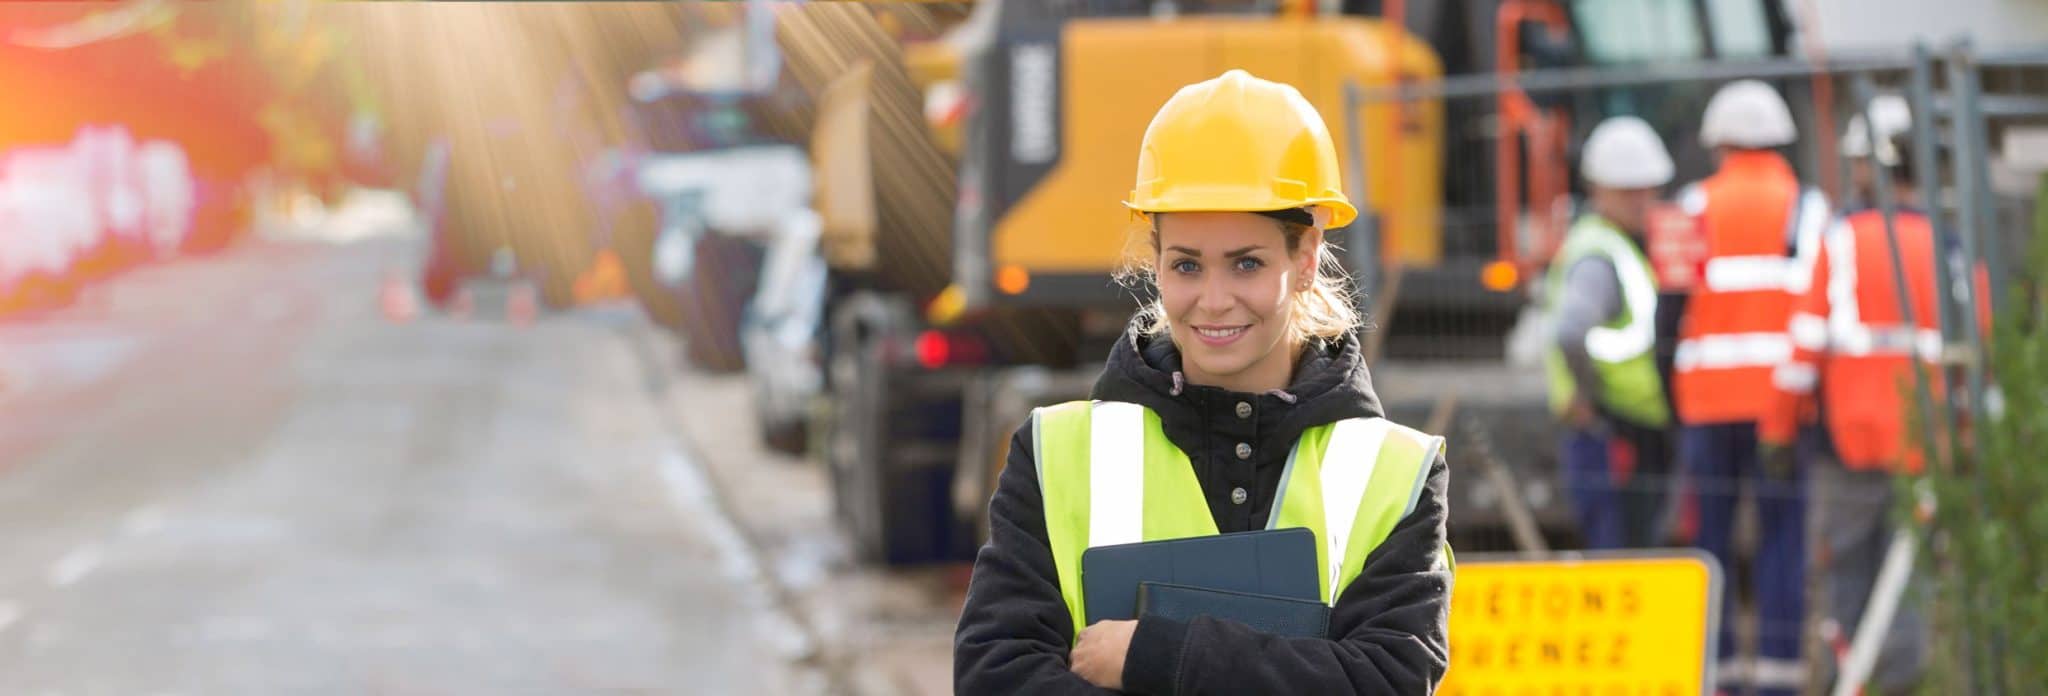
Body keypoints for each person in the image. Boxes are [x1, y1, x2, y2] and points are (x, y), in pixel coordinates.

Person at [953, 69, 1452, 695]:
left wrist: (1160, 655)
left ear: (1304, 258)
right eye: (1186, 264)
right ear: (1155, 260)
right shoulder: (1055, 454)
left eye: (1246, 263)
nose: (1213, 301)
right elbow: (994, 674)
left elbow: (1388, 681)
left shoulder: (1395, 474)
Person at [1760, 129, 1986, 695]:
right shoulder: (1949, 245)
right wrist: (1964, 434)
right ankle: (1898, 684)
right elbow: (1977, 344)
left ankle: (1848, 681)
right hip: (1924, 438)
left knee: (1844, 574)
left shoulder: (1844, 240)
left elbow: (1805, 342)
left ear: (1873, 168)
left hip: (1849, 441)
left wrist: (1779, 430)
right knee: (1908, 579)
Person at [1672, 79, 1828, 696]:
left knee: (1710, 538)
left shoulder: (1691, 205)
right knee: (1782, 537)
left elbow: (1668, 306)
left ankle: (1717, 673)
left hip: (1707, 406)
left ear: (1719, 143)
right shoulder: (1807, 208)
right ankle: (1780, 677)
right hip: (1782, 407)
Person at [1545, 116, 1675, 550]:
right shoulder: (1599, 255)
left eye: (1648, 188)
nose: (1643, 201)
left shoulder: (1619, 245)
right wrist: (1588, 397)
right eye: (1628, 191)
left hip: (1628, 428)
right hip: (1612, 429)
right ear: (1599, 190)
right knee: (1621, 554)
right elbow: (1570, 331)